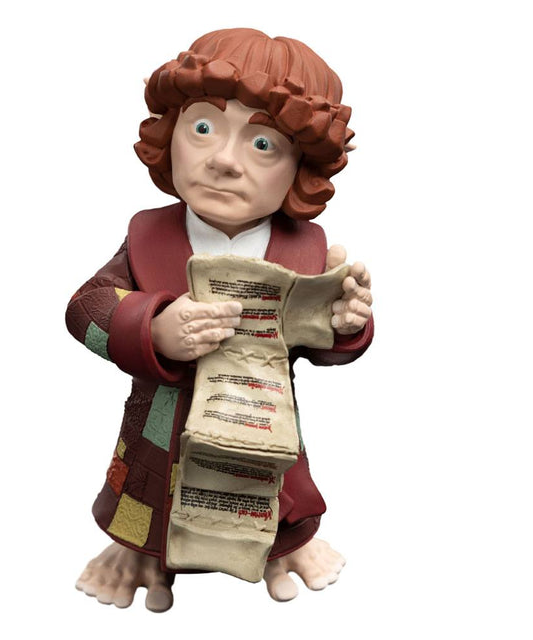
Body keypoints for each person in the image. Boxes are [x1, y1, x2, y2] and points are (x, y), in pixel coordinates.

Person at [66, 28, 373, 612]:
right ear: (171, 132)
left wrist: (345, 321)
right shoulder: (147, 236)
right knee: (148, 491)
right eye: (203, 128)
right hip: (162, 421)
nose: (225, 161)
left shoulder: (306, 249)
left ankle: (281, 548)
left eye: (263, 144)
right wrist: (152, 326)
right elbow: (86, 307)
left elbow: (325, 343)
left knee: (272, 486)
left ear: (301, 167)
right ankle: (143, 553)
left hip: (262, 418)